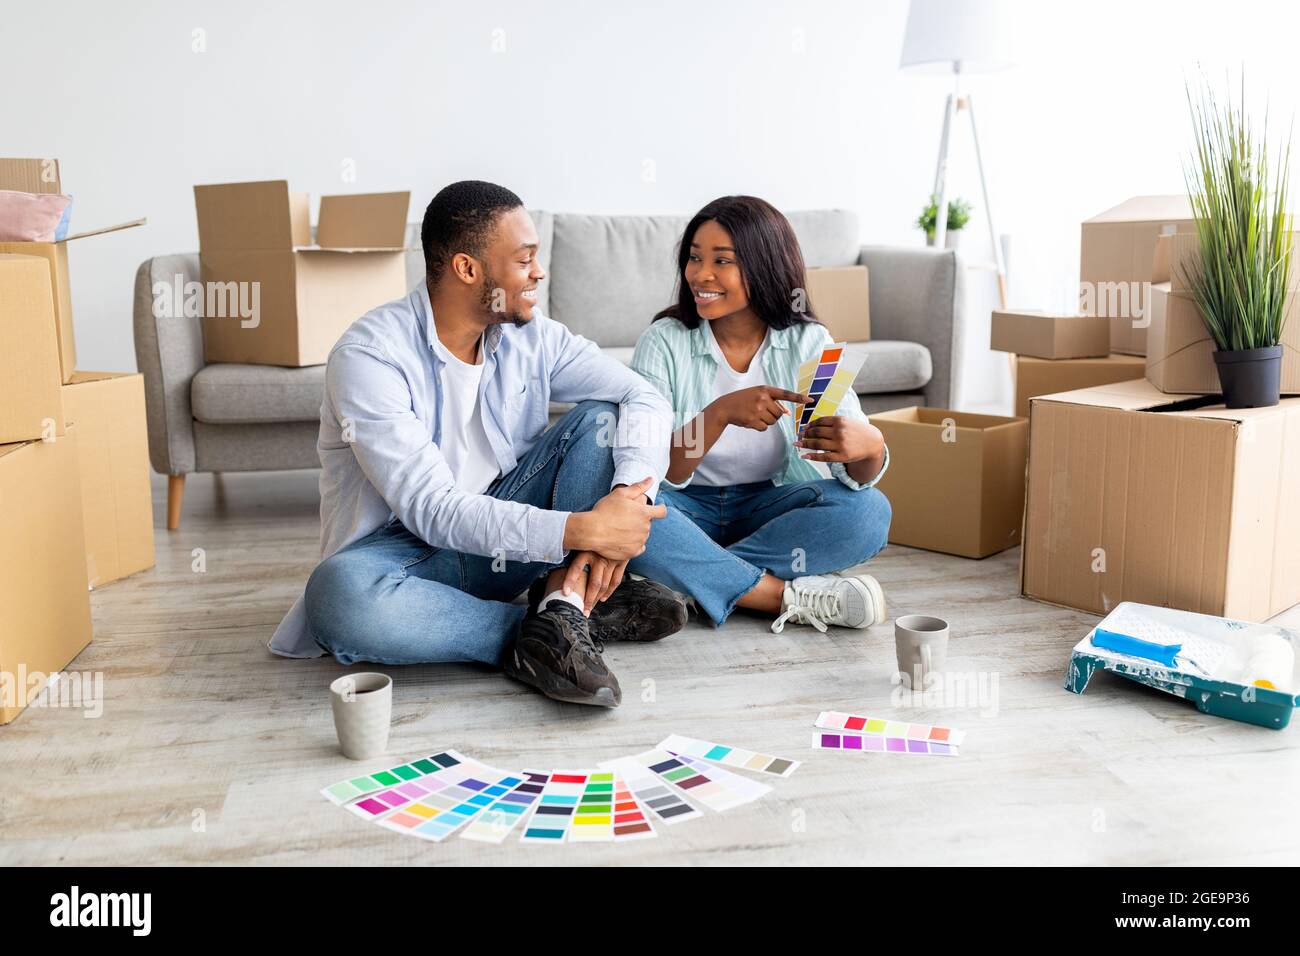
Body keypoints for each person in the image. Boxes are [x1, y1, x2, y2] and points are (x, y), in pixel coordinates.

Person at [268, 181, 687, 708]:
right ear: (468, 269)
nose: (539, 272)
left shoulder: (532, 335)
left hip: (513, 544)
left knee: (602, 419)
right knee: (339, 598)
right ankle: (556, 620)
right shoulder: (369, 356)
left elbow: (642, 393)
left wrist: (629, 497)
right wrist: (583, 529)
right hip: (411, 558)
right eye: (524, 259)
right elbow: (431, 511)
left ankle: (563, 609)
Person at [628, 195, 892, 633]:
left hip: (768, 507)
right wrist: (719, 414)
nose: (701, 274)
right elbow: (654, 468)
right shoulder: (663, 341)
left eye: (721, 260)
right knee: (634, 516)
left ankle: (696, 577)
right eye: (694, 258)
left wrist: (872, 448)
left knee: (869, 512)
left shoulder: (814, 343)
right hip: (684, 508)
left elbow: (853, 473)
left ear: (764, 265)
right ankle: (777, 594)